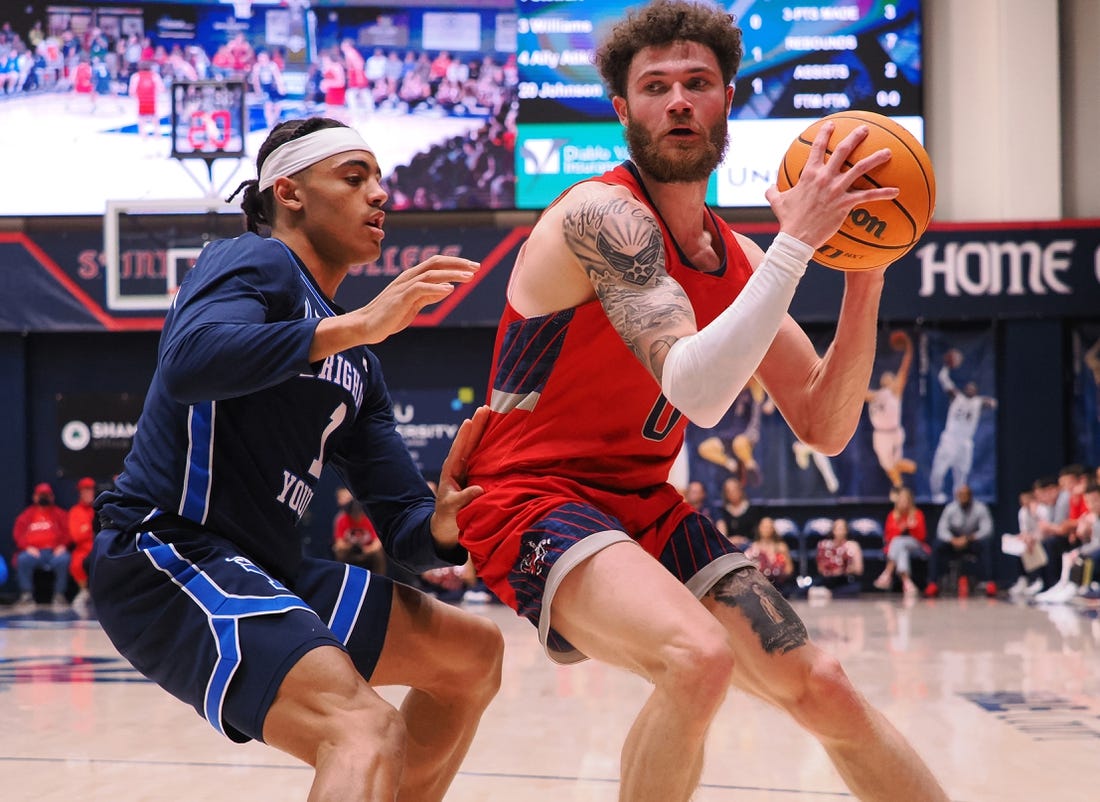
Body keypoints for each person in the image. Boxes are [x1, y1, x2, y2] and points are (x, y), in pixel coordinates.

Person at [456, 3, 948, 801]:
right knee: (698, 659)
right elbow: (698, 391)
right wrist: (797, 247)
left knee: (824, 685)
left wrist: (865, 269)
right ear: (622, 110)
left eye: (697, 83)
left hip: (642, 505)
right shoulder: (601, 215)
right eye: (655, 87)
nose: (678, 101)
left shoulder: (741, 257)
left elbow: (824, 425)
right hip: (529, 499)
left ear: (728, 101)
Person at [87, 117, 503, 801]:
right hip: (166, 550)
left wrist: (446, 524)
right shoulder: (255, 260)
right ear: (289, 191)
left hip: (269, 568)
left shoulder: (358, 366)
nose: (380, 195)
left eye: (379, 179)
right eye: (354, 176)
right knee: (363, 729)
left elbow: (403, 525)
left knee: (473, 656)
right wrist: (359, 324)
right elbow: (188, 363)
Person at [928, 356, 997, 503]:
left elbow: (993, 403)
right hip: (950, 439)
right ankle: (936, 495)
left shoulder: (978, 402)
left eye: (973, 388)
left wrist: (990, 402)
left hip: (965, 443)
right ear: (965, 389)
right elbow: (943, 379)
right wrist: (947, 365)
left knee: (962, 476)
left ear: (976, 391)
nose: (970, 389)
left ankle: (958, 502)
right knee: (938, 470)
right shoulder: (957, 397)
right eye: (968, 387)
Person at [865, 330, 917, 490]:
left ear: (893, 381)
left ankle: (902, 481)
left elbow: (904, 369)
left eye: (891, 376)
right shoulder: (874, 395)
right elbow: (857, 390)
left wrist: (909, 348)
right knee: (890, 467)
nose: (888, 375)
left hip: (891, 433)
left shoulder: (894, 391)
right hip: (880, 434)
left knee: (891, 466)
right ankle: (899, 486)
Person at [924, 484, 995, 598]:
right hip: (954, 543)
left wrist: (969, 538)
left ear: (970, 495)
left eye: (965, 495)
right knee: (937, 545)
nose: (963, 497)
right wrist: (953, 540)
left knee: (985, 544)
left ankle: (989, 583)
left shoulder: (980, 508)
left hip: (972, 541)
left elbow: (987, 530)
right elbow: (941, 530)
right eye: (960, 495)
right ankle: (932, 583)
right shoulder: (950, 508)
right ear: (957, 496)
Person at [12, 482, 71, 612]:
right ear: (35, 497)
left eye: (46, 495)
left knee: (64, 559)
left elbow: (68, 532)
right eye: (41, 495)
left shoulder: (60, 514)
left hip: (54, 552)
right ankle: (26, 595)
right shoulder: (27, 515)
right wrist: (27, 547)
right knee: (22, 559)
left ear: (51, 497)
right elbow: (18, 534)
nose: (43, 498)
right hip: (34, 552)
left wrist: (62, 546)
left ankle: (59, 595)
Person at [874, 486, 929, 597]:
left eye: (906, 500)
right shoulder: (892, 516)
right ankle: (906, 581)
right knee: (901, 548)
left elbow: (922, 537)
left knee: (900, 542)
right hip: (899, 548)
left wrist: (912, 527)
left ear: (910, 501)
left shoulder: (917, 514)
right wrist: (901, 528)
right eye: (901, 500)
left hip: (916, 547)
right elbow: (889, 538)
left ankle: (887, 573)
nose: (904, 503)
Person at [333, 491, 387, 576]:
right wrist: (349, 546)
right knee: (339, 552)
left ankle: (379, 578)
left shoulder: (370, 518)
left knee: (378, 555)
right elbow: (339, 543)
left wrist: (368, 549)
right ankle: (341, 577)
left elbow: (377, 543)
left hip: (367, 551)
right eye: (354, 513)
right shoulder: (342, 519)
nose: (356, 515)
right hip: (350, 552)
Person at [744, 516, 796, 597]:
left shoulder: (781, 547)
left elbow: (789, 569)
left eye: (769, 527)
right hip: (760, 588)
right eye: (764, 527)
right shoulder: (753, 548)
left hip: (780, 586)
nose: (767, 529)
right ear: (759, 528)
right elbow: (748, 572)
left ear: (773, 529)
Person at [68, 476, 98, 614]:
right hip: (84, 548)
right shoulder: (75, 511)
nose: (88, 493)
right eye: (85, 490)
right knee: (77, 562)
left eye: (90, 490)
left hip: (99, 545)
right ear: (80, 492)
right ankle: (85, 591)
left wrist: (87, 529)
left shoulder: (99, 507)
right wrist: (90, 530)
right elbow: (76, 536)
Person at [813, 518, 864, 597]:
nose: (840, 532)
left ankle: (830, 594)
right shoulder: (824, 545)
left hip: (845, 579)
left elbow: (859, 569)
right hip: (828, 579)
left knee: (855, 588)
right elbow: (820, 568)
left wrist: (846, 569)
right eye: (837, 528)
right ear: (833, 530)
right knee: (808, 588)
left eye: (842, 529)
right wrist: (830, 570)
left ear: (846, 531)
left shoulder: (853, 545)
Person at [714, 475, 759, 549]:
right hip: (729, 547)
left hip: (751, 547)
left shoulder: (753, 510)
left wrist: (743, 540)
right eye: (728, 491)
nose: (732, 493)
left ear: (740, 490)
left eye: (734, 490)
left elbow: (758, 535)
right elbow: (721, 536)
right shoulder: (722, 512)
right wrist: (731, 540)